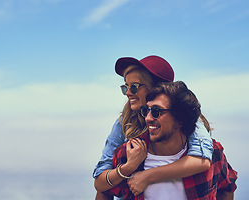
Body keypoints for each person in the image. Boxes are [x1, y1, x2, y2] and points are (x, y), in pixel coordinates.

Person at [93, 56, 213, 199]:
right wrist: (129, 167)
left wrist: (147, 176)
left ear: (157, 88)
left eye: (134, 87)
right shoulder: (124, 124)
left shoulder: (187, 119)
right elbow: (101, 185)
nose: (128, 93)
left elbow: (202, 161)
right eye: (126, 86)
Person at [105, 81, 237, 200]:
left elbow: (227, 188)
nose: (148, 118)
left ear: (181, 118)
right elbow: (104, 191)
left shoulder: (213, 153)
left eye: (156, 111)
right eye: (146, 110)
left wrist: (148, 176)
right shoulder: (127, 154)